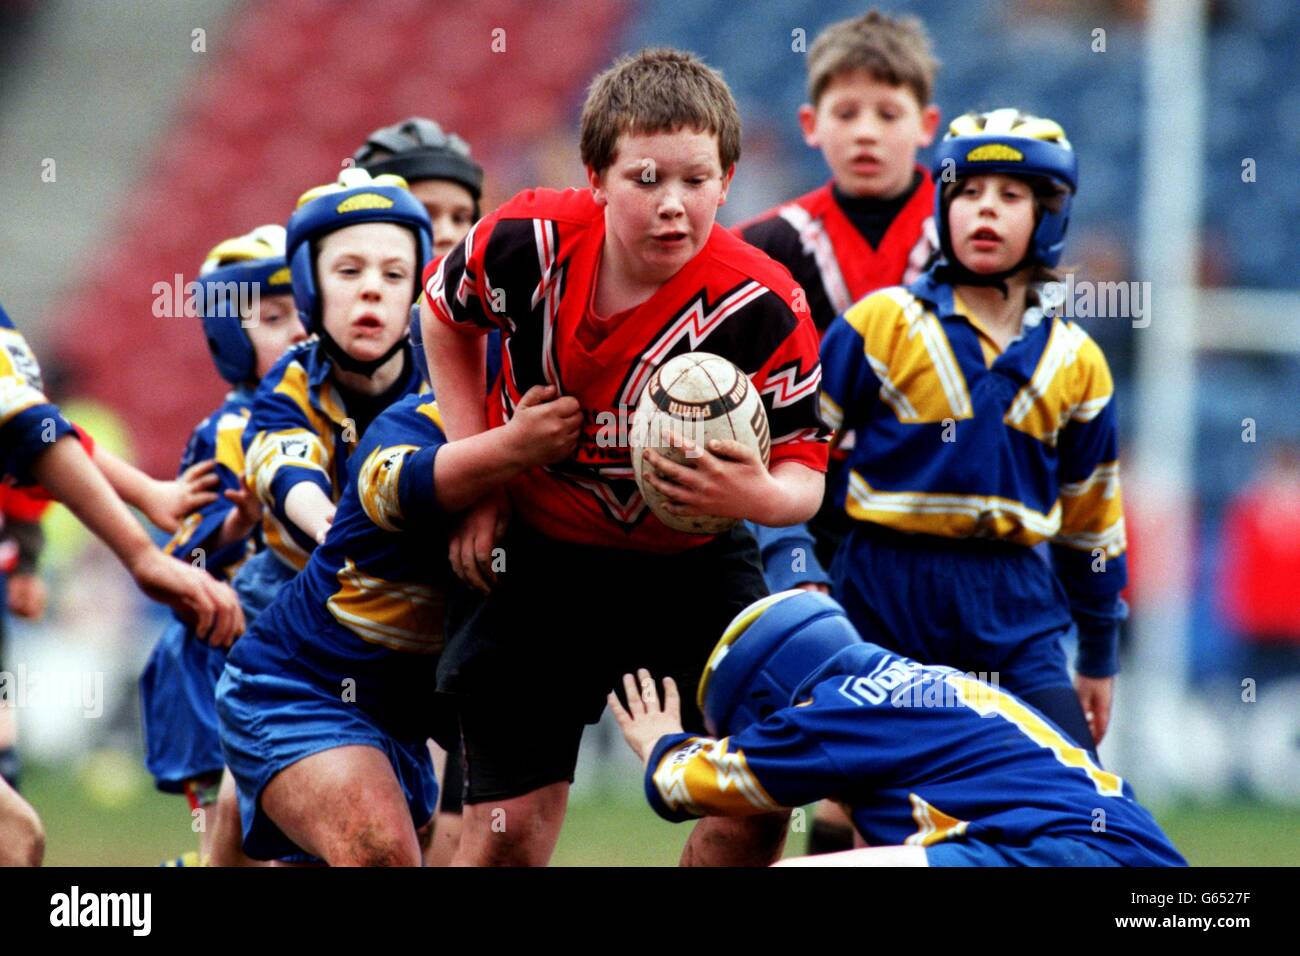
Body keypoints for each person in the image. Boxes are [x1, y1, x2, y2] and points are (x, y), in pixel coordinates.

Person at [420, 48, 829, 867]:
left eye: (695, 179)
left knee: (756, 804)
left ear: (728, 180)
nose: (673, 205)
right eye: (646, 178)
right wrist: (481, 471)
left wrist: (754, 492)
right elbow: (442, 317)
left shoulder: (765, 302)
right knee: (505, 837)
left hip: (695, 566)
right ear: (596, 177)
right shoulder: (524, 243)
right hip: (538, 558)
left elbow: (805, 480)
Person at [819, 109, 1126, 756]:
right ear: (943, 206)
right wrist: (794, 567)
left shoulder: (1078, 362)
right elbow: (795, 457)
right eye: (968, 192)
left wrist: (1098, 652)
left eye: (1011, 196)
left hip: (1015, 606)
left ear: (1049, 216)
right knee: (874, 804)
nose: (985, 210)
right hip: (882, 591)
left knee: (1081, 797)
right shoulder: (880, 324)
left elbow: (1091, 525)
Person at [735, 8, 943, 853]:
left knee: (922, 765)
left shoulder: (971, 237)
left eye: (888, 114)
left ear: (926, 126)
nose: (866, 132)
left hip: (936, 526)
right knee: (827, 743)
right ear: (811, 124)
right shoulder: (769, 245)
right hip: (806, 518)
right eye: (846, 112)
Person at [216, 380, 578, 865]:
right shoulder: (408, 426)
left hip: (416, 719)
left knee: (498, 845)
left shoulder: (583, 456)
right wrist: (508, 454)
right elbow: (398, 482)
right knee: (380, 854)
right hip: (301, 690)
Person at [609, 589, 1186, 867]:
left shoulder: (842, 707)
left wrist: (662, 744)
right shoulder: (921, 686)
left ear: (773, 701)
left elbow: (693, 785)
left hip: (1061, 858)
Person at [0, 301, 244, 866]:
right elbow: (25, 426)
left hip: (63, 578)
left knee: (15, 835)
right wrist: (139, 550)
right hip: (72, 579)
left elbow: (28, 428)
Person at [139, 225, 307, 866]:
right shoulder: (225, 433)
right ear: (229, 339)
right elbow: (174, 560)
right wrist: (233, 529)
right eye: (271, 317)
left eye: (304, 311)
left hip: (302, 655)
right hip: (218, 664)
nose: (296, 330)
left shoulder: (335, 413)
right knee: (232, 847)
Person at [353, 117, 487, 862]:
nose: (444, 234)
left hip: (462, 632)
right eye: (422, 213)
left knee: (466, 827)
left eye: (462, 217)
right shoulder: (332, 358)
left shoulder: (491, 346)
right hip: (357, 645)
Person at [232, 169, 431, 625]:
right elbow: (284, 465)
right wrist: (328, 525)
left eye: (395, 274)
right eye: (349, 270)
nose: (372, 287)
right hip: (300, 583)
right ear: (309, 287)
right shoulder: (290, 382)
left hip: (414, 589)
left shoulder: (447, 377)